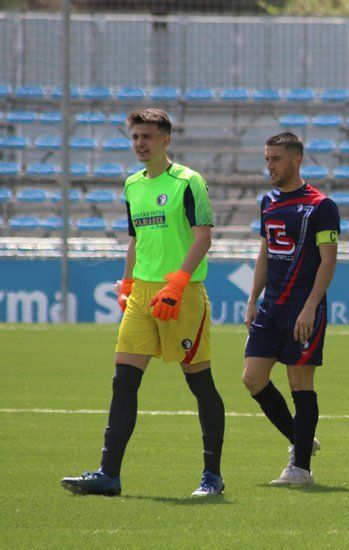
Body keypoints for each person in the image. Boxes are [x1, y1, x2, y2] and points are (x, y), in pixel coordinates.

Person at [61, 108, 226, 496]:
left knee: (200, 384)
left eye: (147, 137)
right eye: (135, 137)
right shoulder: (132, 184)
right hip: (142, 297)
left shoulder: (189, 182)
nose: (140, 144)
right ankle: (108, 475)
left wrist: (180, 281)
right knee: (123, 382)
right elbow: (135, 238)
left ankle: (212, 477)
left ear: (166, 140)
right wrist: (128, 282)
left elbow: (203, 236)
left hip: (181, 295)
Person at [242, 132, 339, 486]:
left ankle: (300, 469)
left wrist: (310, 307)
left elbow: (328, 262)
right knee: (252, 378)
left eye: (276, 159)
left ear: (295, 160)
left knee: (300, 382)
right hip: (271, 307)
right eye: (267, 158)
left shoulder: (321, 205)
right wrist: (253, 299)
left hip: (303, 307)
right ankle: (300, 440)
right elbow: (265, 253)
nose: (269, 165)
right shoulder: (267, 201)